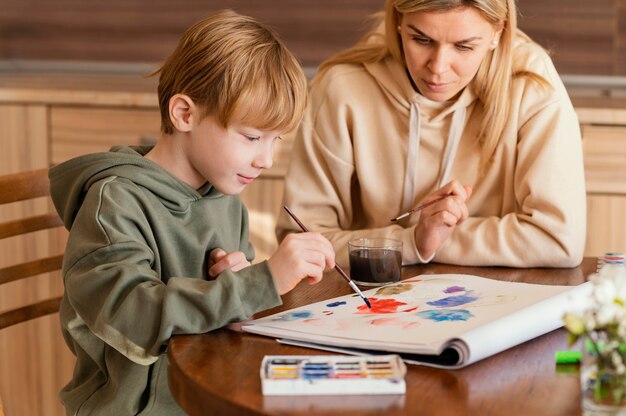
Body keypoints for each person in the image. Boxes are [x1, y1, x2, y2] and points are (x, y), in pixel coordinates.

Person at [49, 10, 335, 415]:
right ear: (185, 114)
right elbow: (135, 317)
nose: (266, 159)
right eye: (253, 137)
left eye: (276, 140)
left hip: (212, 396)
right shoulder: (113, 204)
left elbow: (229, 310)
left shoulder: (224, 196)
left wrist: (240, 291)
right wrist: (260, 281)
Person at [276, 0, 586, 268]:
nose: (438, 68)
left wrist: (431, 240)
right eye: (421, 40)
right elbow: (303, 243)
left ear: (498, 32)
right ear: (398, 21)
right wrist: (411, 241)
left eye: (464, 46)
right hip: (371, 299)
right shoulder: (342, 87)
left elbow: (559, 239)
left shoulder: (534, 85)